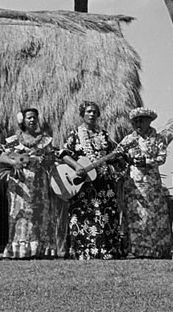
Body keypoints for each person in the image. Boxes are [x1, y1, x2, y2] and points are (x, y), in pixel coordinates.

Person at [60, 100, 126, 259]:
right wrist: (77, 166)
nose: (92, 114)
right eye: (88, 111)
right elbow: (64, 154)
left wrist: (118, 158)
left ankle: (106, 250)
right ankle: (84, 250)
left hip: (104, 181)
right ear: (82, 114)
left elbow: (111, 156)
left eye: (94, 112)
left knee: (106, 213)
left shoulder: (104, 134)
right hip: (84, 183)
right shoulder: (75, 134)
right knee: (84, 214)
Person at [1, 107, 61, 259]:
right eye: (29, 118)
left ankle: (40, 248)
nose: (32, 120)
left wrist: (43, 159)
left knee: (39, 214)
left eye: (34, 117)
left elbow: (51, 159)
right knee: (20, 213)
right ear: (23, 121)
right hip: (20, 183)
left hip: (40, 182)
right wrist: (13, 163)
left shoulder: (45, 140)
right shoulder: (13, 140)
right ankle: (20, 249)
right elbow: (2, 157)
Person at [119, 106, 173, 258]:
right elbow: (118, 154)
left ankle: (157, 250)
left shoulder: (158, 139)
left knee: (154, 216)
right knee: (136, 215)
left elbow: (161, 158)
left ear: (149, 121)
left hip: (152, 184)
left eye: (142, 121)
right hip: (134, 184)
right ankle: (137, 250)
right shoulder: (129, 139)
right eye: (136, 121)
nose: (138, 124)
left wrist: (147, 161)